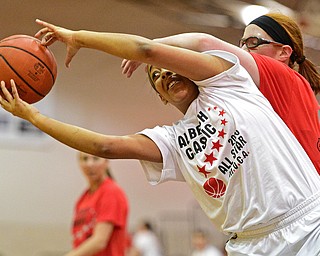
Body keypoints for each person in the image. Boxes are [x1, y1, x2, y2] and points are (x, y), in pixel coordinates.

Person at [0, 19, 320, 254]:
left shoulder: (230, 84)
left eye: (169, 68)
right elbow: (105, 145)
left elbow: (149, 50)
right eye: (156, 77)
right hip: (249, 244)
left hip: (306, 222)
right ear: (161, 96)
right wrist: (32, 116)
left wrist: (79, 37)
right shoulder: (172, 141)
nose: (165, 74)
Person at [121, 12, 320, 174]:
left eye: (252, 42)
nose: (243, 50)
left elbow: (203, 42)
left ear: (284, 52)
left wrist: (151, 46)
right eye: (241, 43)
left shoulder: (284, 79)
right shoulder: (251, 96)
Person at [67, 151, 129, 256]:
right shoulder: (83, 198)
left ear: (106, 162)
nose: (89, 164)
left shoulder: (111, 192)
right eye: (85, 159)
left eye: (95, 159)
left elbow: (99, 241)